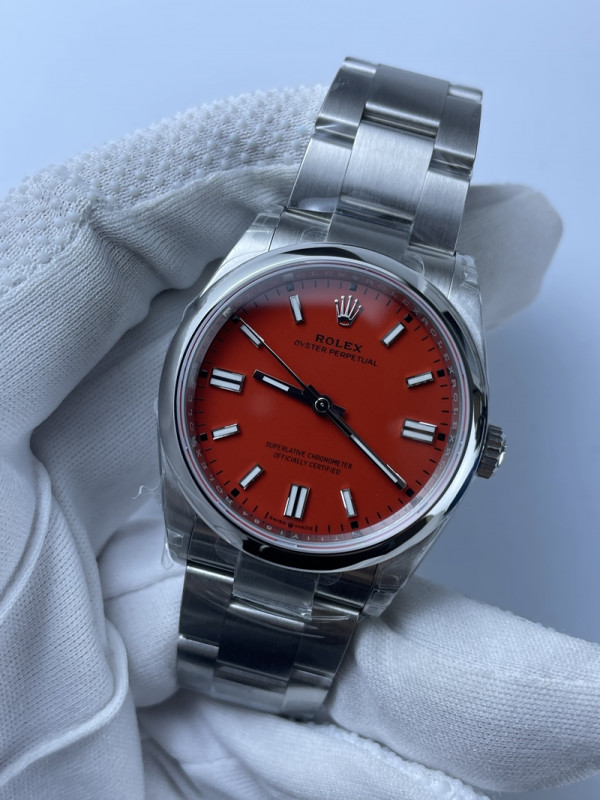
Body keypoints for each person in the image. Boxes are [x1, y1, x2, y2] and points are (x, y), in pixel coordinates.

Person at [1, 82, 598, 800]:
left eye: (322, 404)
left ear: (478, 447)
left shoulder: (427, 349)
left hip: (318, 521)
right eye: (314, 400)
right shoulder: (255, 283)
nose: (319, 404)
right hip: (240, 503)